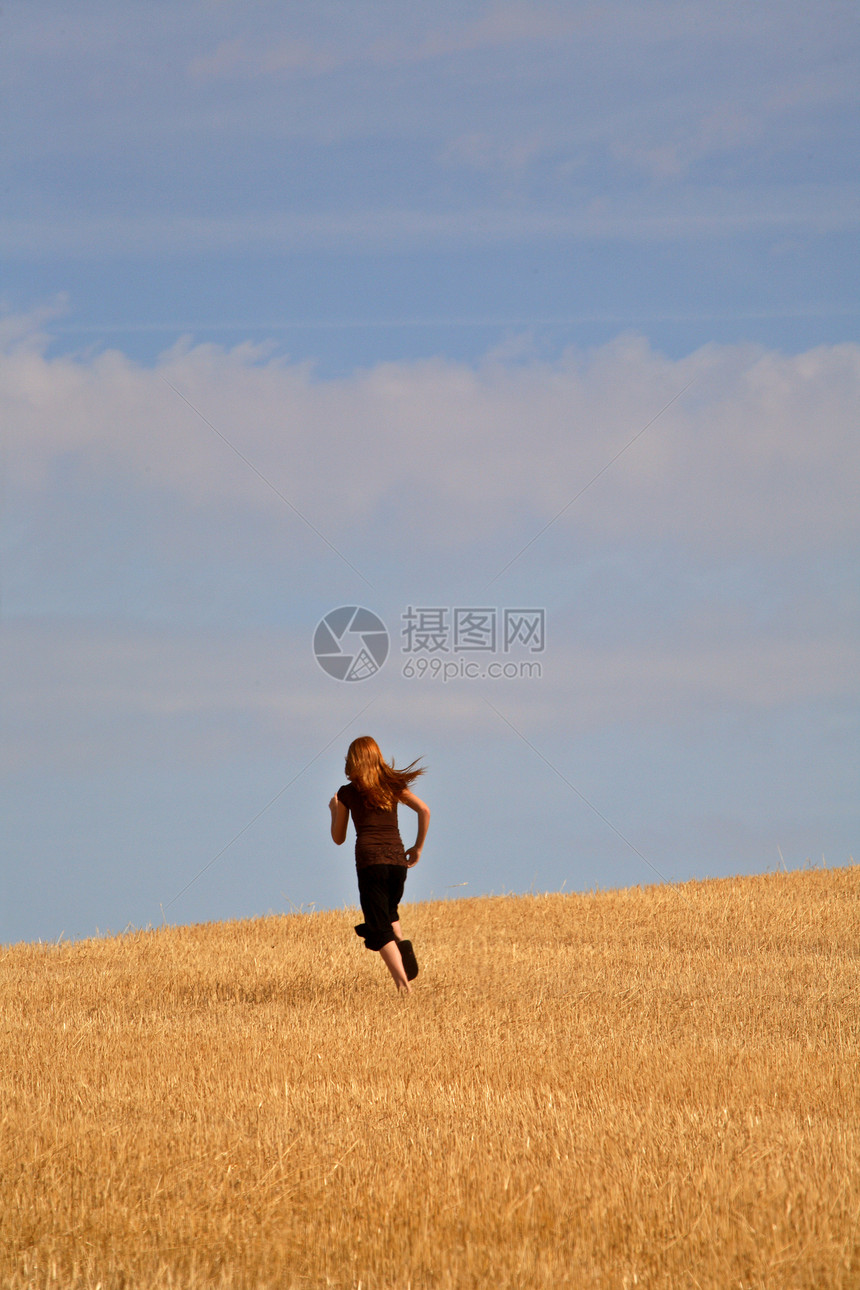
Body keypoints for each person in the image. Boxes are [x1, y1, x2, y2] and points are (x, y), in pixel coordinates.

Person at [329, 735, 430, 994]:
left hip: (370, 862)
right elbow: (424, 810)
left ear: (353, 760)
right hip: (397, 861)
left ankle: (403, 987)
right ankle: (402, 942)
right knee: (389, 912)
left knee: (377, 925)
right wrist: (417, 847)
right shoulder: (392, 785)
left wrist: (334, 809)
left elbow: (338, 838)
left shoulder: (347, 793)